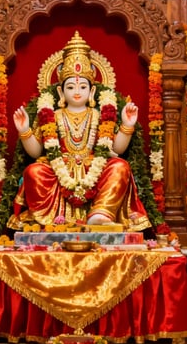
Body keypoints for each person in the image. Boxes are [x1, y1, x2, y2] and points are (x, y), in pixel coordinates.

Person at [8, 32, 150, 231]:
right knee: (34, 172)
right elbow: (37, 152)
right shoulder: (52, 116)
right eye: (71, 86)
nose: (77, 91)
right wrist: (25, 130)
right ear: (60, 92)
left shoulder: (100, 115)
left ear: (92, 92)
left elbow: (116, 148)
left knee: (120, 167)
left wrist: (127, 125)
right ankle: (53, 220)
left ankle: (100, 212)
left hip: (96, 169)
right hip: (59, 172)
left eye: (83, 86)